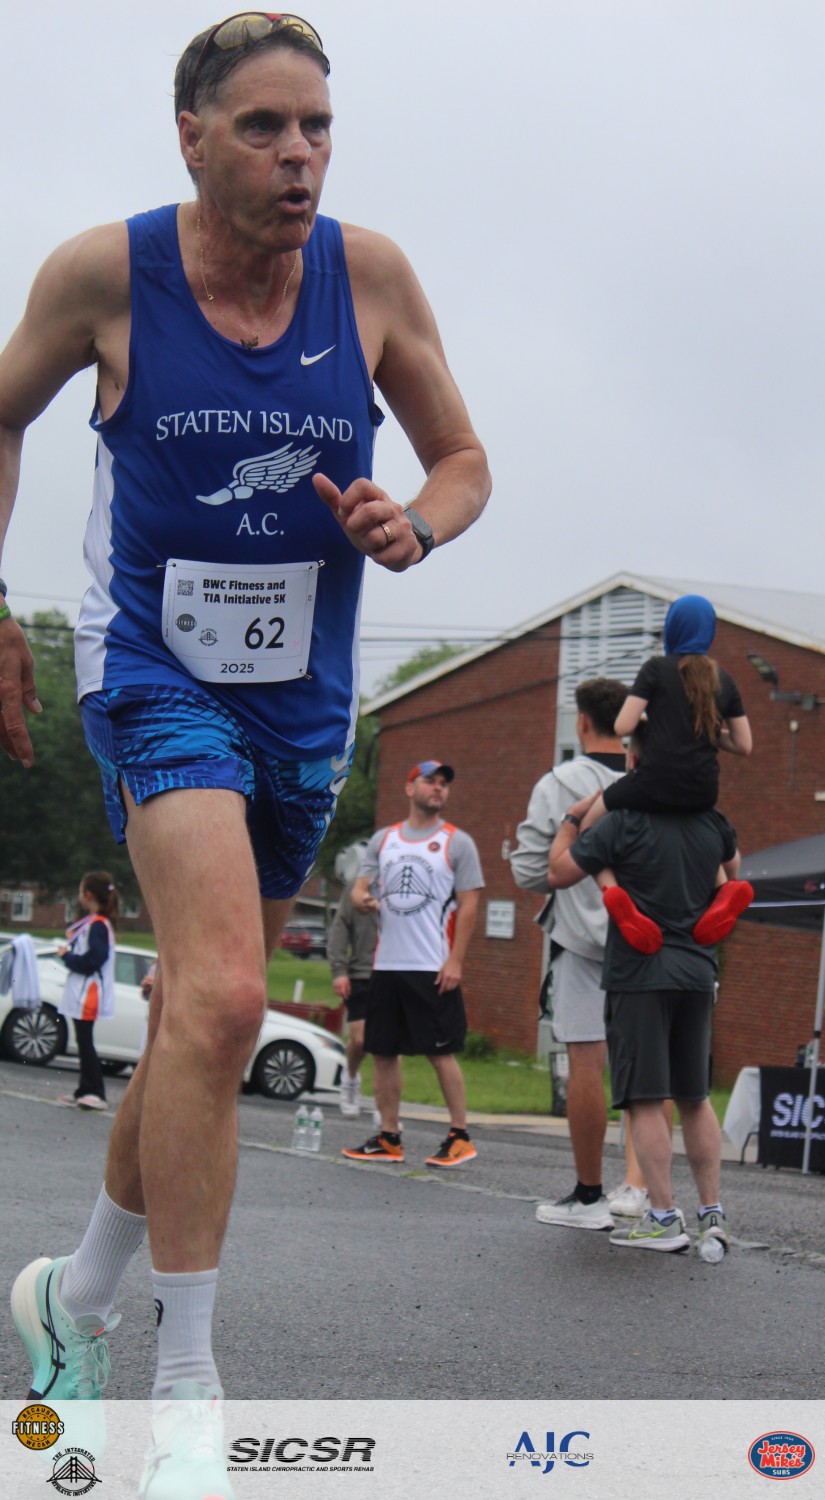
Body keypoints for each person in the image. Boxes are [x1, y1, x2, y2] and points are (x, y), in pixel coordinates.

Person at [2, 12, 489, 1488]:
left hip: (301, 704)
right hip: (153, 673)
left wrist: (416, 525)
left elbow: (463, 463)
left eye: (317, 127)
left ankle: (71, 1295)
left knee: (199, 1028)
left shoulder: (371, 278)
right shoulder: (105, 275)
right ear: (192, 138)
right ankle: (188, 1393)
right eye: (266, 126)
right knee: (220, 997)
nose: (299, 155)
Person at [547, 717, 738, 1253]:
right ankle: (713, 1213)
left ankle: (663, 1217)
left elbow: (558, 872)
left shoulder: (624, 821)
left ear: (634, 761)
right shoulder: (712, 821)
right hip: (697, 969)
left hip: (640, 970)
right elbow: (734, 864)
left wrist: (572, 819)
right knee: (694, 1097)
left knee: (646, 1099)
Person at [509, 677, 628, 1229]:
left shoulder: (561, 781)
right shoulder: (657, 777)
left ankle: (590, 1194)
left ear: (582, 722)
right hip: (653, 936)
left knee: (587, 1063)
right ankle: (646, 1191)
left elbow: (532, 869)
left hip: (582, 937)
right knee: (653, 1067)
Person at [579, 594, 753, 953]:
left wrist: (653, 719)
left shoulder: (656, 669)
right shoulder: (723, 680)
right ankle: (723, 890)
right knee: (699, 829)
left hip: (653, 783)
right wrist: (705, 732)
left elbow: (623, 726)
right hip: (702, 791)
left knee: (588, 829)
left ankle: (616, 896)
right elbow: (743, 744)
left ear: (671, 628)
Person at [342, 761, 483, 1167]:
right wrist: (362, 899)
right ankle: (389, 1136)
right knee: (382, 1050)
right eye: (430, 781)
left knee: (441, 1052)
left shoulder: (457, 842)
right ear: (409, 788)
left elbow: (469, 904)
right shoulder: (384, 840)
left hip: (432, 965)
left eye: (443, 784)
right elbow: (359, 889)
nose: (438, 788)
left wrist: (456, 960)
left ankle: (460, 1136)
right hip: (387, 964)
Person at [55, 872, 119, 1112]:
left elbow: (94, 960)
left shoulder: (99, 926)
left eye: (81, 892)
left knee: (85, 1042)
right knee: (83, 1041)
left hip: (88, 993)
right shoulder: (94, 923)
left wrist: (67, 957)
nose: (80, 896)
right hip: (83, 992)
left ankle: (96, 1092)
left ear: (88, 895)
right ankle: (84, 1090)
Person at [327, 881, 377, 1119]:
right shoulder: (358, 888)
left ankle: (386, 1107)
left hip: (394, 974)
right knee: (360, 1039)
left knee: (390, 1045)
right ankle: (350, 1077)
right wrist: (339, 971)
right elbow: (340, 929)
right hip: (361, 974)